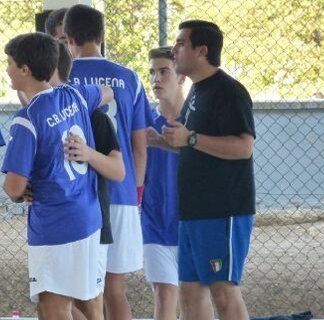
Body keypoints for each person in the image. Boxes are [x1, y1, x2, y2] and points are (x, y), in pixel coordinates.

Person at [2, 32, 102, 319]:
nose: (6, 69)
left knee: (52, 307)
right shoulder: (74, 94)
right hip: (87, 215)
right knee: (90, 301)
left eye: (9, 63)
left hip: (55, 224)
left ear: (25, 70)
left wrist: (23, 190)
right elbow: (105, 92)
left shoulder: (27, 118)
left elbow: (13, 187)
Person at [162, 20, 256, 320]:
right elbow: (196, 145)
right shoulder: (196, 91)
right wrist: (166, 143)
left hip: (221, 210)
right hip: (194, 211)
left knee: (223, 292)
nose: (174, 49)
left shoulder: (229, 91)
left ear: (201, 50)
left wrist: (190, 137)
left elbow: (244, 147)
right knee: (190, 292)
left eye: (180, 43)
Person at [64, 5, 149, 320]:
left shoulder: (65, 78)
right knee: (115, 290)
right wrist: (135, 192)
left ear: (68, 38)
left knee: (76, 290)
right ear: (102, 36)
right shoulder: (129, 77)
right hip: (122, 190)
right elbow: (140, 147)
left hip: (79, 195)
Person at [141, 46, 186, 320]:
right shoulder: (144, 120)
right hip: (155, 219)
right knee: (164, 293)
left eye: (163, 71)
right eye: (152, 73)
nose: (156, 79)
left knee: (194, 296)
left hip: (191, 221)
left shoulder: (196, 120)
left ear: (181, 75)